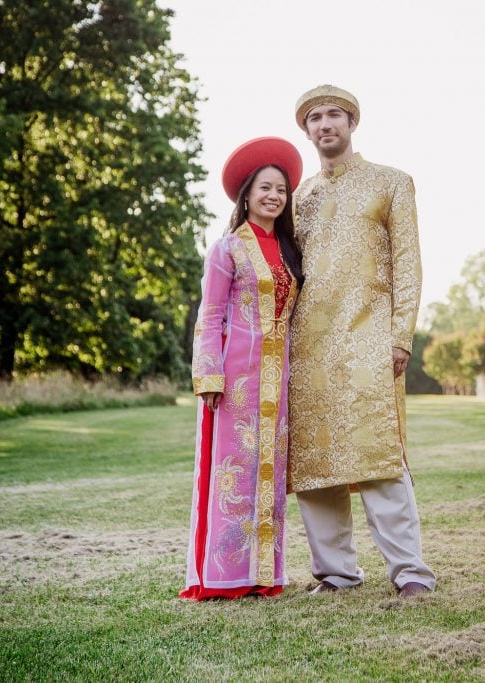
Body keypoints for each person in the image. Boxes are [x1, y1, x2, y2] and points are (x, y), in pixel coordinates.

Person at [287, 85, 436, 597]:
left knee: (379, 458)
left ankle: (411, 572)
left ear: (352, 123)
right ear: (305, 130)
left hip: (369, 340)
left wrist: (400, 337)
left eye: (334, 115)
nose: (325, 124)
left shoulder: (391, 183)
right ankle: (336, 573)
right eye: (315, 118)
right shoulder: (298, 197)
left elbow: (409, 264)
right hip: (307, 348)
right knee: (314, 463)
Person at [181, 137, 304, 600]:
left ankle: (263, 575)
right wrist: (209, 376)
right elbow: (210, 315)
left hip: (279, 381)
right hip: (235, 379)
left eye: (281, 190)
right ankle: (222, 576)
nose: (274, 196)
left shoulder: (291, 253)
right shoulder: (226, 249)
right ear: (247, 194)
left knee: (268, 475)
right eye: (265, 188)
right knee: (232, 473)